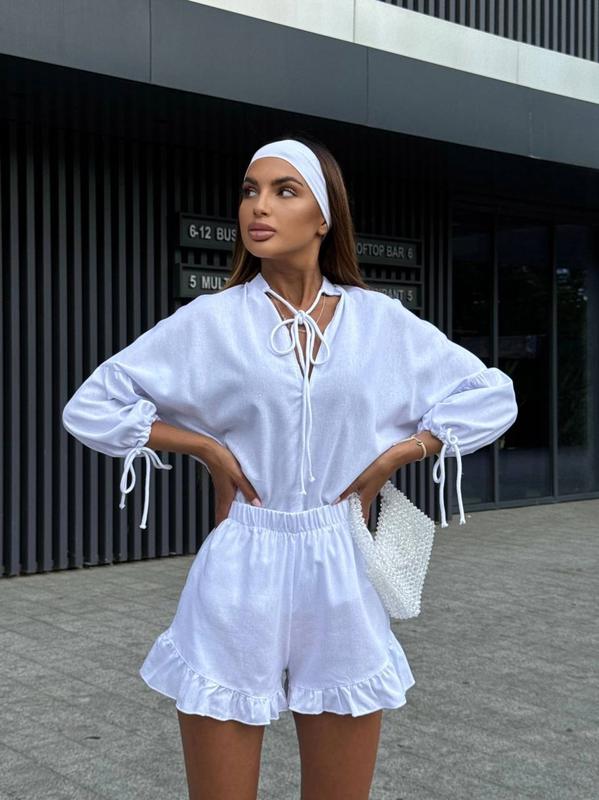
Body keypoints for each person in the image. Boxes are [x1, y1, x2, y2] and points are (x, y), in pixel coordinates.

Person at [62, 135, 518, 800]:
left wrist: (401, 452)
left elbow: (491, 395)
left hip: (341, 562)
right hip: (242, 558)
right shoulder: (212, 321)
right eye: (250, 190)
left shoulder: (379, 322)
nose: (259, 206)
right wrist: (205, 448)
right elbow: (91, 405)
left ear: (323, 217)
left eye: (284, 190)